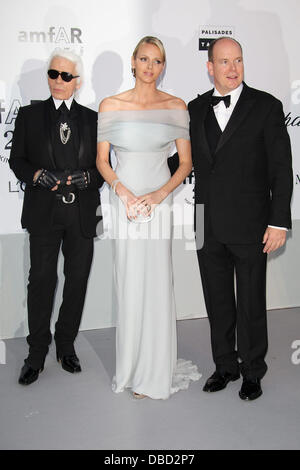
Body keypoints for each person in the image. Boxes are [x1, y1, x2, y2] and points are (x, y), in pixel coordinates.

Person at [188, 37, 293, 400]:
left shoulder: (266, 106)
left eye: (238, 61)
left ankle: (252, 371)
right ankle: (225, 366)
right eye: (224, 62)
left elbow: (281, 168)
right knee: (216, 299)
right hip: (206, 222)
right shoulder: (194, 108)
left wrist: (278, 221)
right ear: (210, 67)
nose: (233, 69)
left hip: (251, 222)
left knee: (250, 302)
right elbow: (184, 162)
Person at [97, 36, 201, 399]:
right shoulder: (110, 105)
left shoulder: (176, 106)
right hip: (124, 204)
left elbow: (186, 162)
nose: (150, 66)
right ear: (133, 61)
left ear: (163, 65)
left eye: (157, 61)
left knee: (157, 281)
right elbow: (101, 161)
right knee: (129, 281)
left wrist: (158, 195)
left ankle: (154, 370)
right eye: (144, 59)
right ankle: (132, 365)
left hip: (159, 204)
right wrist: (122, 192)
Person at [10, 48, 104, 385]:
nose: (58, 81)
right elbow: (16, 160)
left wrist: (88, 178)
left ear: (77, 82)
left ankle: (66, 346)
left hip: (82, 213)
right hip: (43, 214)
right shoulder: (28, 116)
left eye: (65, 76)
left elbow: (104, 168)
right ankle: (36, 353)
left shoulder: (94, 119)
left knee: (77, 282)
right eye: (53, 74)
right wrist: (35, 175)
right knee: (41, 283)